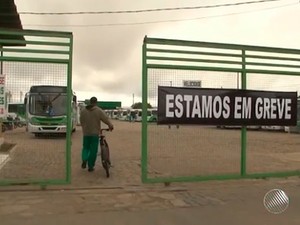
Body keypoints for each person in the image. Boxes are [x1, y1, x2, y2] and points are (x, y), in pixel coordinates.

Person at [80, 96, 114, 172]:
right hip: (94, 134)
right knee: (93, 150)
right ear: (96, 102)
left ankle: (84, 159)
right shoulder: (98, 110)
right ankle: (90, 166)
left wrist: (85, 128)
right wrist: (110, 125)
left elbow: (81, 121)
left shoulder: (83, 111)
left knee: (85, 148)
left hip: (86, 133)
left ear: (90, 102)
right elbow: (105, 119)